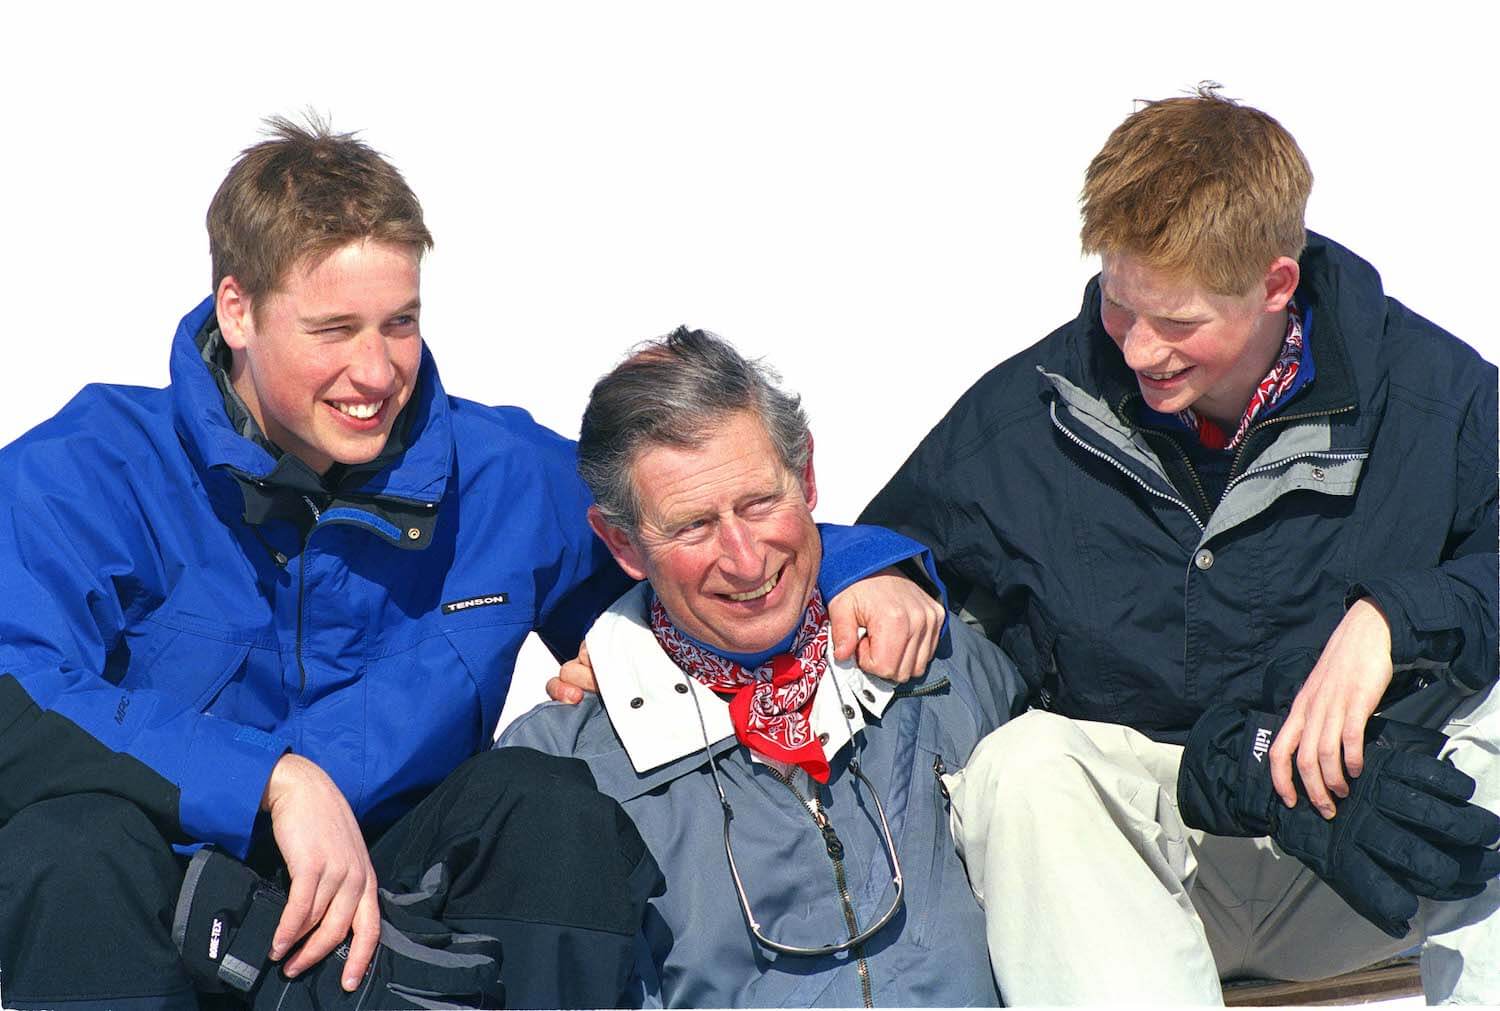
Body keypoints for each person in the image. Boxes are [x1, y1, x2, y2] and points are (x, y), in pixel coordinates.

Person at [0, 119, 941, 1010]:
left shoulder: (494, 474)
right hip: (162, 885)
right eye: (334, 330)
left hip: (394, 884)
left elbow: (683, 533)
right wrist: (270, 780)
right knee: (66, 844)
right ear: (237, 310)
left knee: (548, 809)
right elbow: (17, 689)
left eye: (399, 323)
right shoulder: (89, 468)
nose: (376, 372)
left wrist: (857, 568)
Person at [861, 87, 1499, 1004]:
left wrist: (1395, 619)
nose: (1140, 350)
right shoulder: (1033, 411)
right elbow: (881, 545)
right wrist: (868, 576)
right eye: (1122, 307)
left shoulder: (1434, 393)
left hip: (1375, 854)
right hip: (1133, 890)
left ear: (1277, 284)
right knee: (1026, 765)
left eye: (1180, 323)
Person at [502, 327, 1027, 1006]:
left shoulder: (946, 664)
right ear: (625, 544)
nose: (747, 560)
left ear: (805, 477)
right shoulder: (566, 769)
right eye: (692, 526)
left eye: (760, 503)